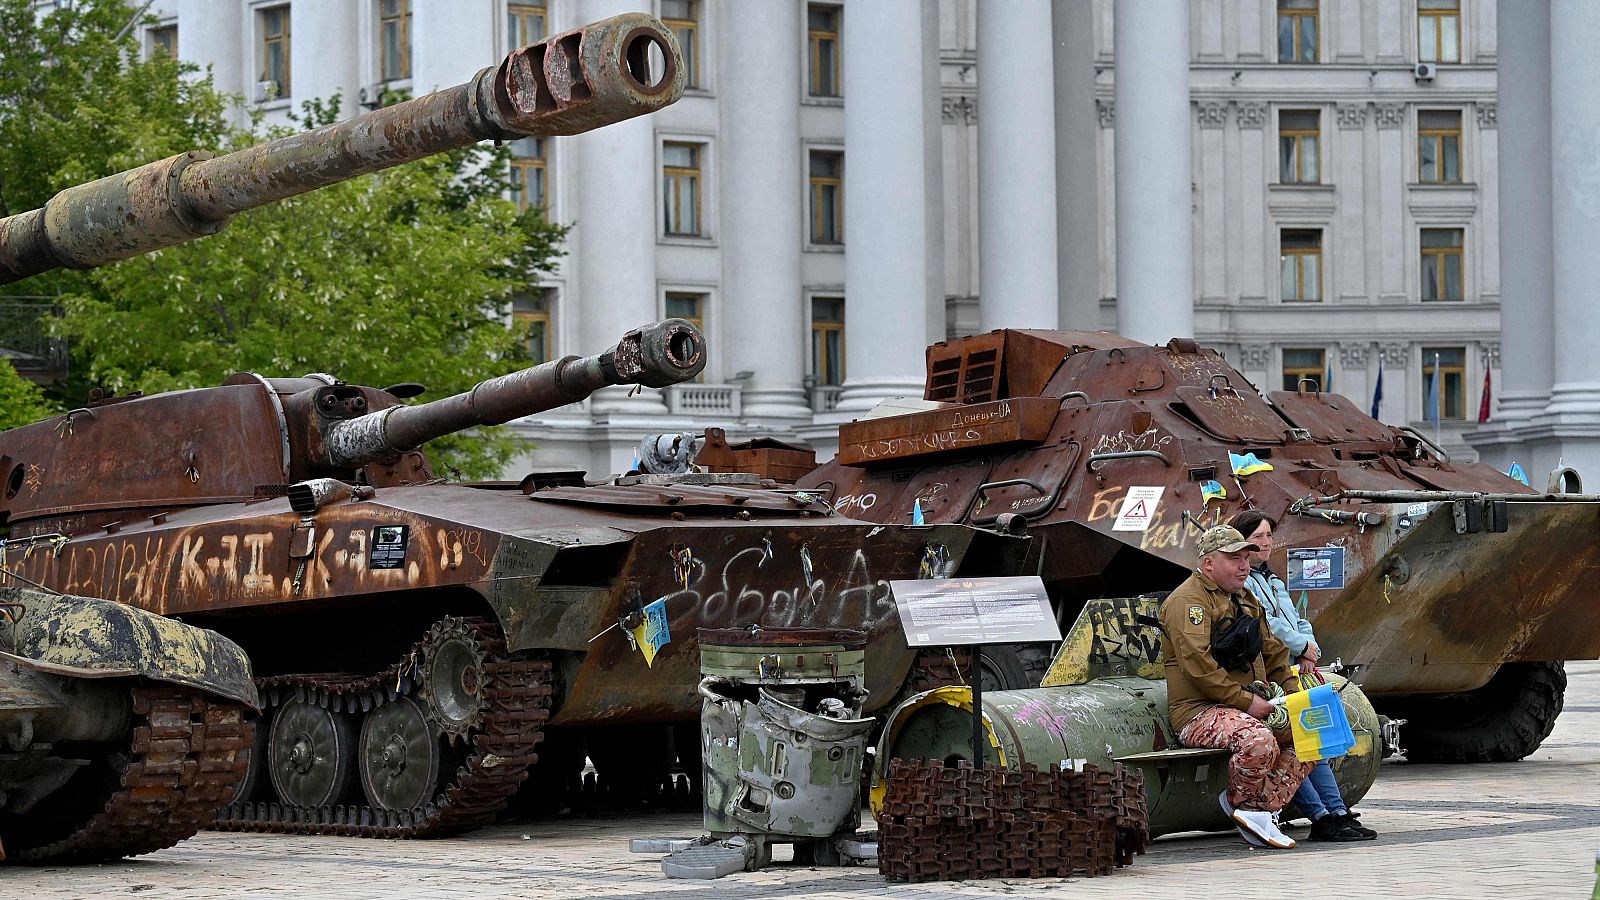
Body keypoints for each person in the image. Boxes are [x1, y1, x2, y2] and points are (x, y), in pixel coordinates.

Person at [1159, 525, 1313, 849]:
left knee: (1312, 731)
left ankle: (1261, 810)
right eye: (1234, 558)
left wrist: (1295, 692)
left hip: (1244, 704)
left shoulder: (1244, 598)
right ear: (1208, 563)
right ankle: (1238, 802)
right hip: (1200, 711)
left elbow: (1272, 650)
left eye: (1246, 558)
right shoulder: (1188, 602)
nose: (1244, 566)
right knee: (1259, 740)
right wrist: (1246, 703)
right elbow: (1199, 667)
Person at [1231, 510, 1377, 843]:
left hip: (1293, 669)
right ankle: (1321, 814)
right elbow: (1272, 628)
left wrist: (1308, 647)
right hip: (1269, 676)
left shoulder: (1272, 579)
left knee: (1315, 743)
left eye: (1269, 536)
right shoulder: (1247, 586)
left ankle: (1336, 812)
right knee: (1297, 744)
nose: (1265, 544)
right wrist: (1302, 647)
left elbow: (1296, 618)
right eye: (1258, 538)